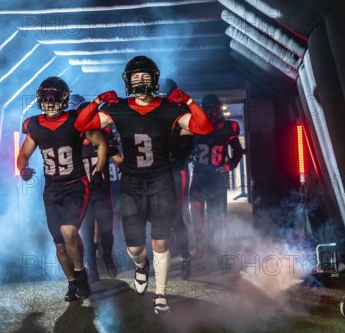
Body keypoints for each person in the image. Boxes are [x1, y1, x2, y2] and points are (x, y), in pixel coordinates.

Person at [74, 56, 213, 314]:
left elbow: (204, 127)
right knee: (135, 247)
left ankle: (160, 295)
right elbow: (81, 124)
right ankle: (141, 266)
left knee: (160, 241)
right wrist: (96, 101)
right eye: (135, 77)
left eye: (145, 76)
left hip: (161, 179)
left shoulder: (169, 108)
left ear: (155, 79)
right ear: (127, 81)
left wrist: (190, 101)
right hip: (132, 181)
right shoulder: (118, 108)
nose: (140, 81)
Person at [16, 77, 91, 302]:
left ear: (65, 99)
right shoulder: (34, 125)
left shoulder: (76, 120)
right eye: (46, 98)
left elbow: (100, 139)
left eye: (54, 97)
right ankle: (72, 283)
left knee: (70, 232)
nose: (49, 102)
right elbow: (23, 155)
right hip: (52, 190)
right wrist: (23, 169)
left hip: (75, 184)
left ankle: (81, 275)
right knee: (59, 244)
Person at [189, 94, 244, 259]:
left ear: (219, 109)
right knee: (196, 210)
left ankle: (218, 247)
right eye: (207, 108)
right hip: (199, 175)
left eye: (213, 107)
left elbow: (238, 151)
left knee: (217, 214)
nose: (211, 111)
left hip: (215, 177)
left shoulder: (228, 127)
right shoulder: (195, 126)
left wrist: (229, 165)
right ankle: (202, 245)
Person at [74, 100, 119, 281]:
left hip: (102, 192)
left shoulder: (104, 137)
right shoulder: (74, 141)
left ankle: (107, 256)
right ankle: (91, 268)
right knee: (86, 233)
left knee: (106, 231)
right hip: (83, 194)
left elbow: (119, 160)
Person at [158, 78, 194, 280]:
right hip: (156, 171)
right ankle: (159, 258)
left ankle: (186, 258)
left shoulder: (182, 114)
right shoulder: (152, 115)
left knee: (177, 216)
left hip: (175, 170)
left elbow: (186, 147)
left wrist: (167, 148)